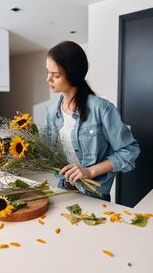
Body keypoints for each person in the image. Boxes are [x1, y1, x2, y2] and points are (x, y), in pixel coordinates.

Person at [44, 41, 140, 201]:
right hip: (62, 189)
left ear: (73, 74)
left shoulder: (102, 109)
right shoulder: (53, 112)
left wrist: (89, 171)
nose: (49, 79)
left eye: (56, 75)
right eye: (47, 72)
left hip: (94, 195)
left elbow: (129, 151)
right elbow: (47, 150)